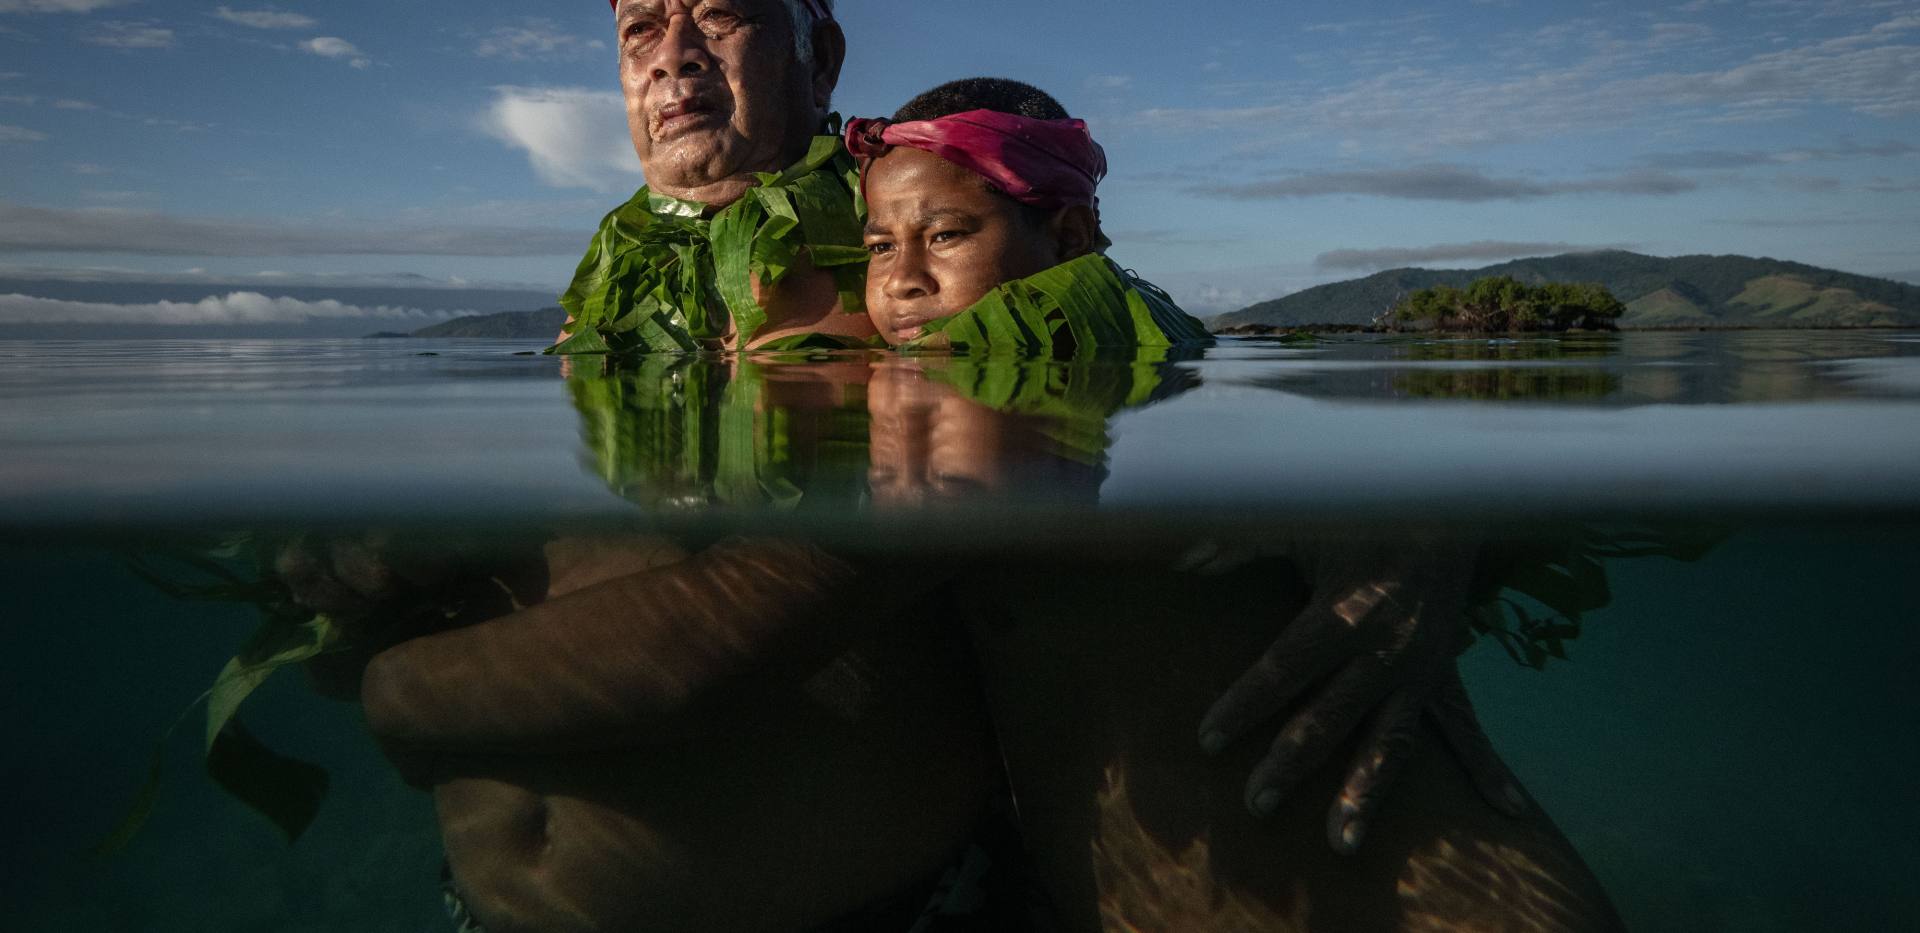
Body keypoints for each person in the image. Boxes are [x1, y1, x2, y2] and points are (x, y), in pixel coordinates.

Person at [848, 79, 1208, 352]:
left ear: (1069, 238)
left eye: (945, 235)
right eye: (881, 247)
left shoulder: (1155, 359)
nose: (900, 283)